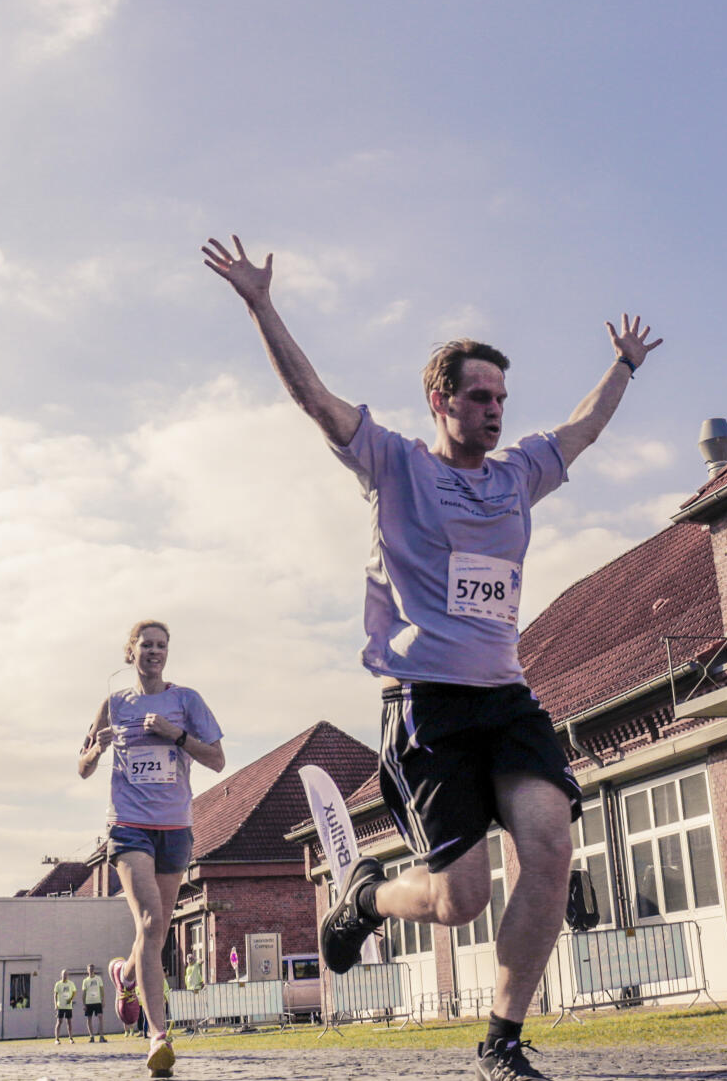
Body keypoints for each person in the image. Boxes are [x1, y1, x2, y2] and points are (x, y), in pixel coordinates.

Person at [205, 236, 659, 1081]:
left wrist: (624, 367)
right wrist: (262, 305)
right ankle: (368, 895)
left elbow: (584, 429)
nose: (495, 409)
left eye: (502, 396)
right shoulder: (394, 463)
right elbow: (315, 401)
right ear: (440, 399)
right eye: (479, 395)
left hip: (508, 699)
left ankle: (503, 1038)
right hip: (428, 705)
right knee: (462, 898)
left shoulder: (519, 472)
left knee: (550, 849)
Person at [77, 619, 226, 1076]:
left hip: (175, 827)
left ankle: (123, 975)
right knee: (150, 920)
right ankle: (158, 1035)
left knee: (154, 937)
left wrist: (175, 735)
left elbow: (217, 760)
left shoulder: (186, 701)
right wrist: (96, 751)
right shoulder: (113, 704)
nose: (154, 652)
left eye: (162, 645)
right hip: (128, 827)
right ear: (131, 652)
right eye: (146, 645)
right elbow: (82, 767)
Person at [79, 964, 105, 1042]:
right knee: (89, 1019)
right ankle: (91, 1036)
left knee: (100, 1017)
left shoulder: (98, 979)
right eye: (89, 969)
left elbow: (102, 990)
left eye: (92, 969)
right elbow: (84, 993)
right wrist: (84, 1004)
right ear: (87, 970)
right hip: (89, 1002)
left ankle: (101, 1037)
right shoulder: (85, 981)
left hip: (97, 1002)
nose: (91, 970)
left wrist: (103, 1000)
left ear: (94, 970)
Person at [53, 968, 77, 1044]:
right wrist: (56, 1005)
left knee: (69, 1022)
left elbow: (74, 992)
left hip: (68, 1006)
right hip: (60, 1006)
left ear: (68, 975)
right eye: (63, 974)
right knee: (59, 1022)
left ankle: (71, 1038)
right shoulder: (58, 984)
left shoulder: (71, 983)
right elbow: (55, 995)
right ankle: (57, 1039)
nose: (65, 976)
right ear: (61, 975)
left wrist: (71, 999)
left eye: (66, 974)